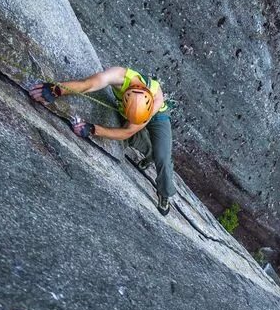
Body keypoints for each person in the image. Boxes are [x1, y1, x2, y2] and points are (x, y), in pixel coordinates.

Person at [29, 66, 176, 214]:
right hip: (132, 110)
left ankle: (164, 193)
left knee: (163, 157)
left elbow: (127, 131)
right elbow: (88, 84)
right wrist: (56, 89)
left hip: (158, 116)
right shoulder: (119, 75)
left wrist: (93, 129)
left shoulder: (155, 101)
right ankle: (150, 154)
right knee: (139, 140)